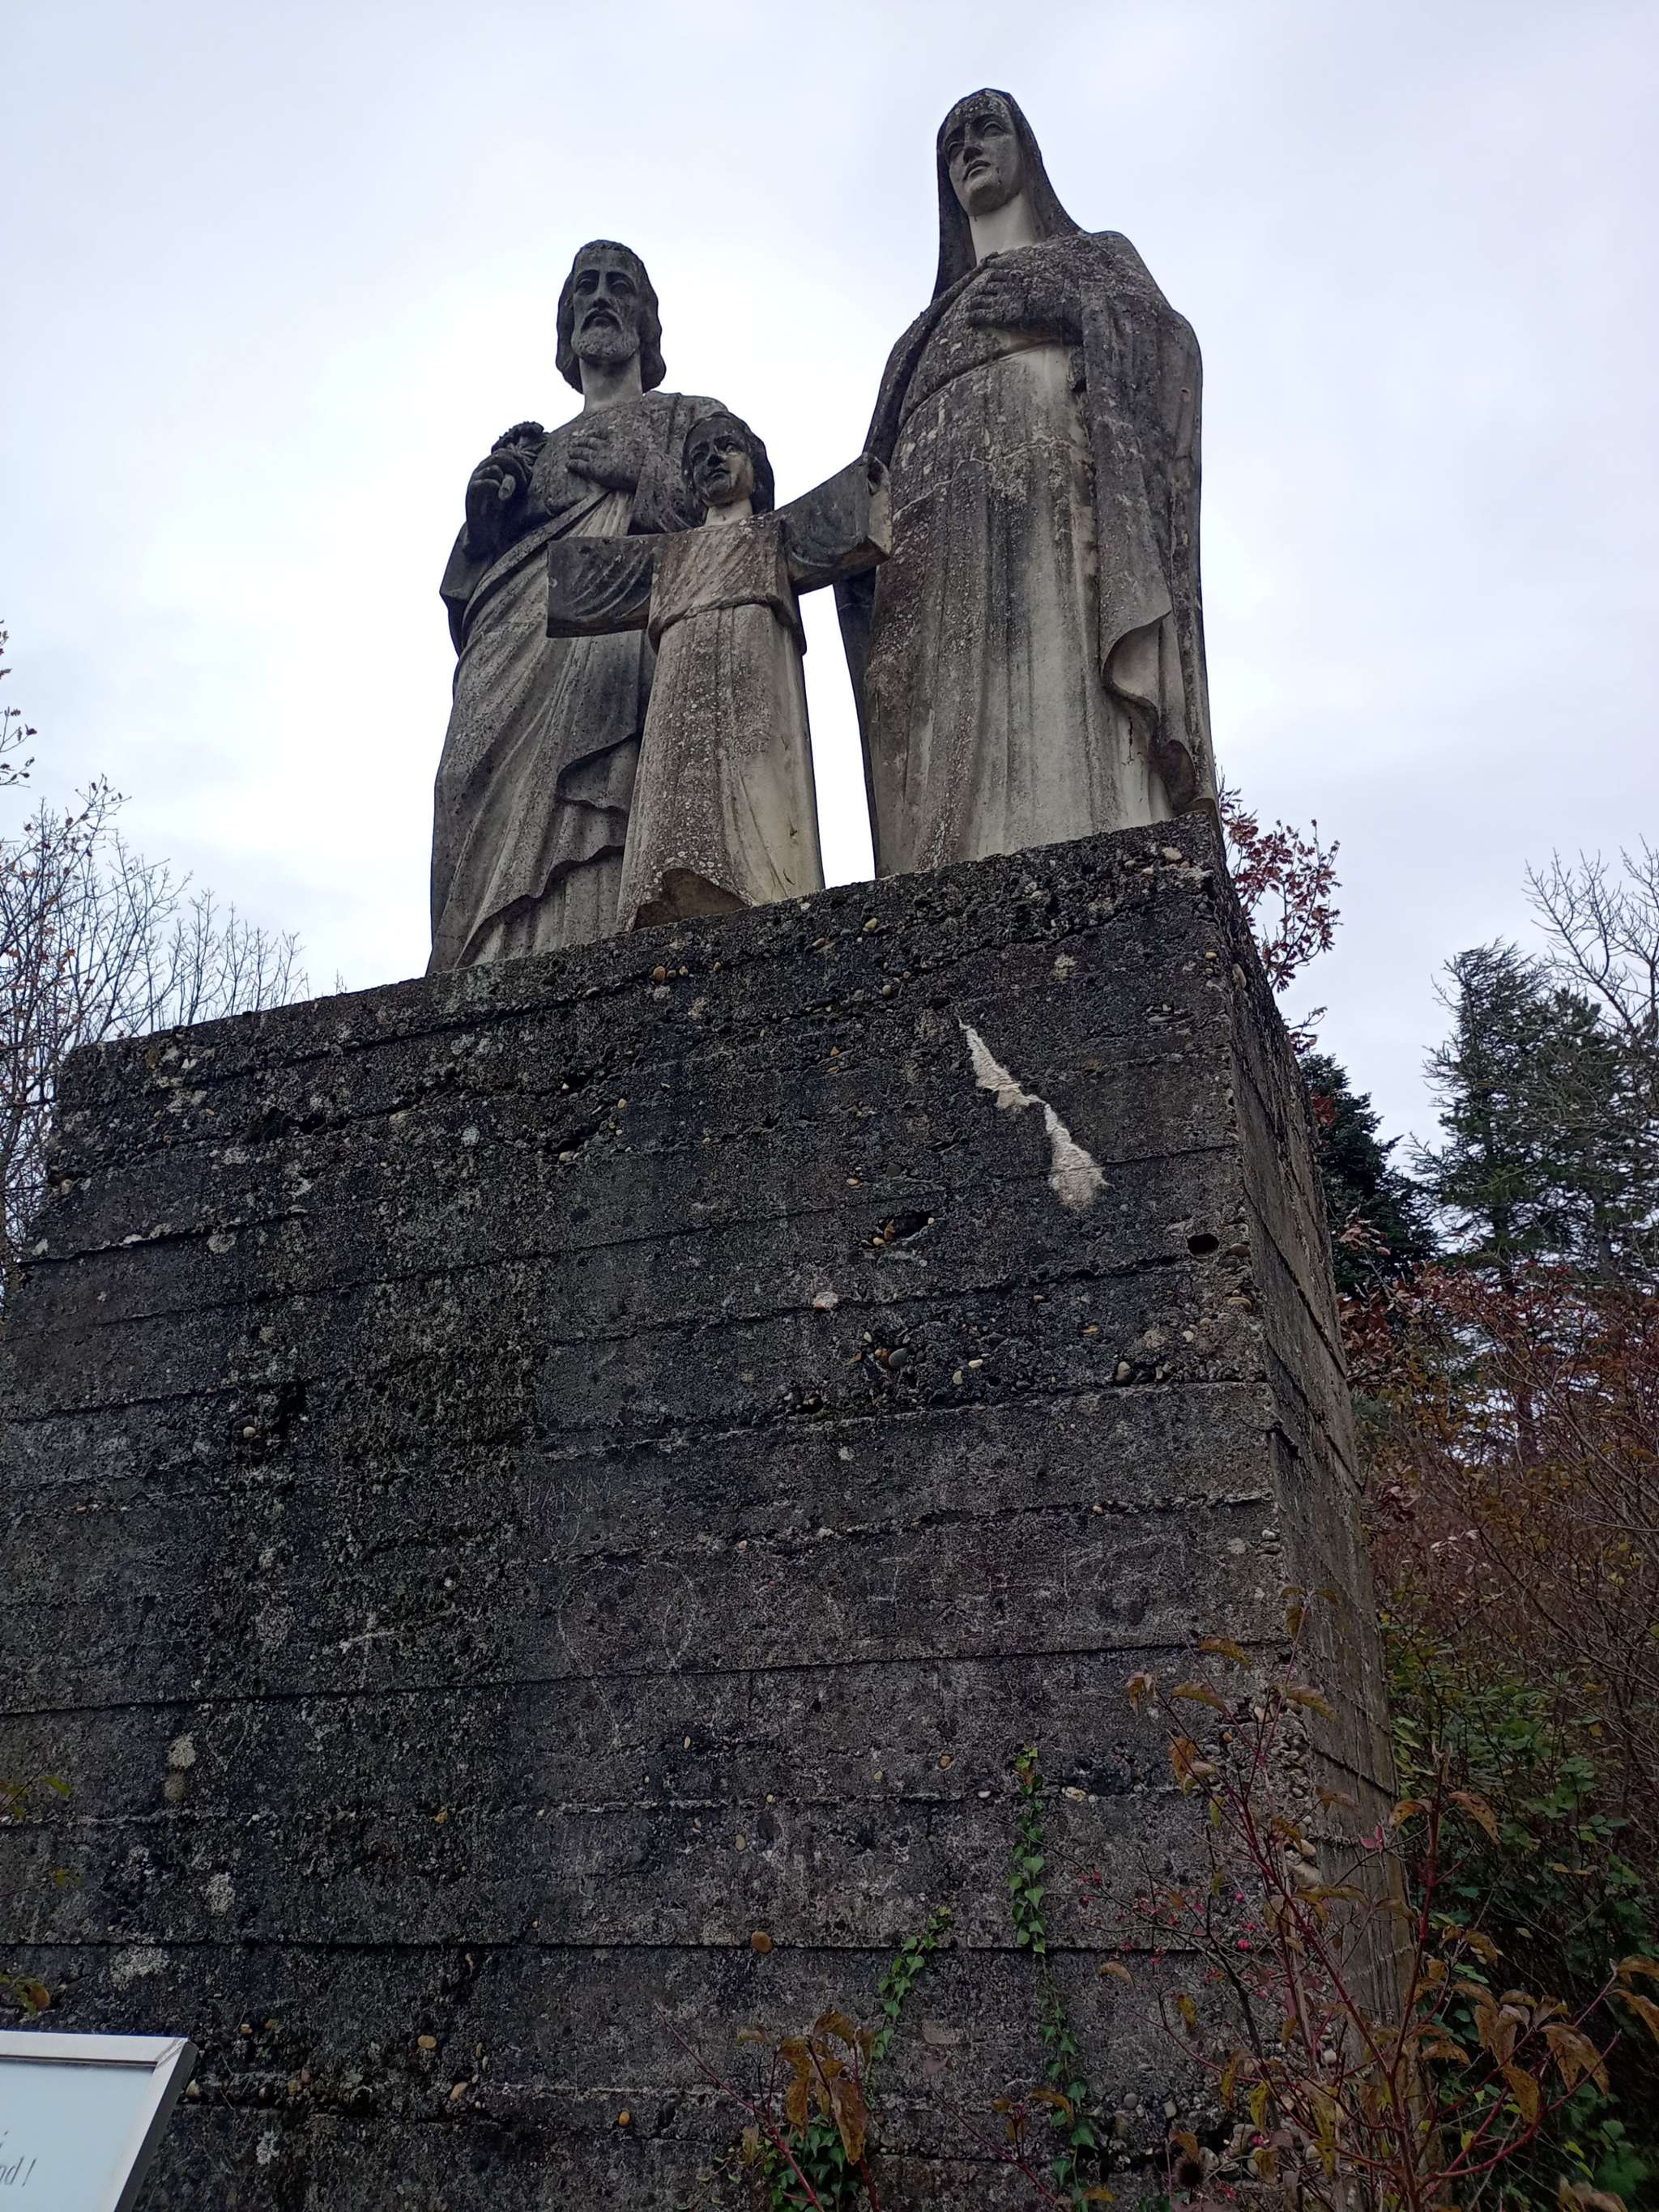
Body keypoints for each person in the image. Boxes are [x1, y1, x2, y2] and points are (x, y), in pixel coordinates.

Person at [836, 90, 1217, 879]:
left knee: (1055, 716)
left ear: (1026, 151)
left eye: (987, 129)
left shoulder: (1094, 259)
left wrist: (1068, 307)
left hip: (1051, 524)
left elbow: (1170, 353)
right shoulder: (919, 336)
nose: (968, 149)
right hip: (932, 571)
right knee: (937, 757)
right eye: (952, 144)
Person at [428, 240, 727, 970]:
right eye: (584, 287)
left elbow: (735, 526)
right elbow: (467, 589)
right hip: (509, 651)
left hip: (619, 651)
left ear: (645, 318)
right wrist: (483, 522)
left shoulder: (689, 420)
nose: (599, 297)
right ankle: (477, 972)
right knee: (461, 782)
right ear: (566, 323)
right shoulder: (532, 452)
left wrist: (642, 473)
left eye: (618, 285)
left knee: (600, 801)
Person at [545, 411, 889, 931]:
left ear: (756, 466)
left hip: (754, 674)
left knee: (756, 773)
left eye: (726, 447)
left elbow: (852, 514)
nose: (712, 460)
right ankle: (662, 892)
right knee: (673, 788)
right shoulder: (667, 556)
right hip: (678, 685)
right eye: (698, 457)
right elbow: (578, 584)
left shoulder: (776, 534)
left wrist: (874, 480)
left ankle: (764, 887)